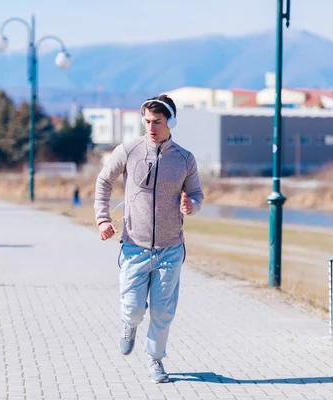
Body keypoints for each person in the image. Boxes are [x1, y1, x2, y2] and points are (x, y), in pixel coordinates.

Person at [94, 94, 204, 383]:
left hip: (170, 248)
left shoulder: (184, 159)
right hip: (134, 246)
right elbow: (104, 181)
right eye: (147, 121)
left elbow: (196, 193)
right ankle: (129, 325)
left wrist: (192, 205)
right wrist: (103, 218)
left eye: (157, 122)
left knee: (162, 312)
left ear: (171, 122)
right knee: (132, 309)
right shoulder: (129, 150)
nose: (151, 127)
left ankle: (155, 360)